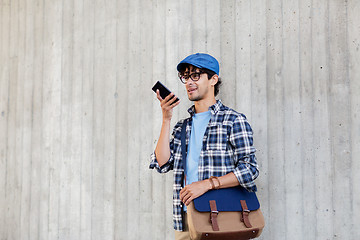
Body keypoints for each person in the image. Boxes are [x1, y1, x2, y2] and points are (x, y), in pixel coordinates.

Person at [149, 53, 259, 240]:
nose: (189, 82)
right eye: (185, 76)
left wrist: (207, 184)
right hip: (185, 219)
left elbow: (250, 169)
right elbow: (163, 163)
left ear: (213, 79)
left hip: (223, 217)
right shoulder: (182, 126)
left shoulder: (233, 120)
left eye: (195, 75)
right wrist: (166, 119)